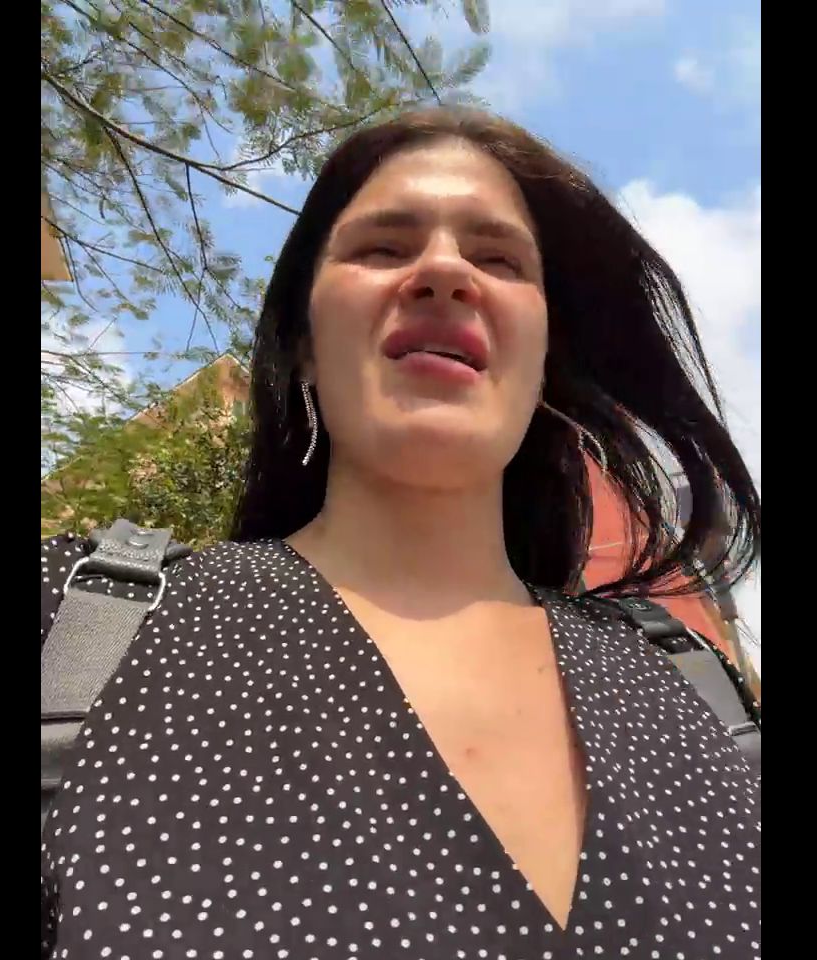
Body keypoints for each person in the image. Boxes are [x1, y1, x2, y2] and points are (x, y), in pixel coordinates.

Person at [41, 107, 761, 960]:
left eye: (498, 259)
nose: (445, 270)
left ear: (542, 360)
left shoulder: (689, 680)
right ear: (303, 345)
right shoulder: (82, 624)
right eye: (384, 247)